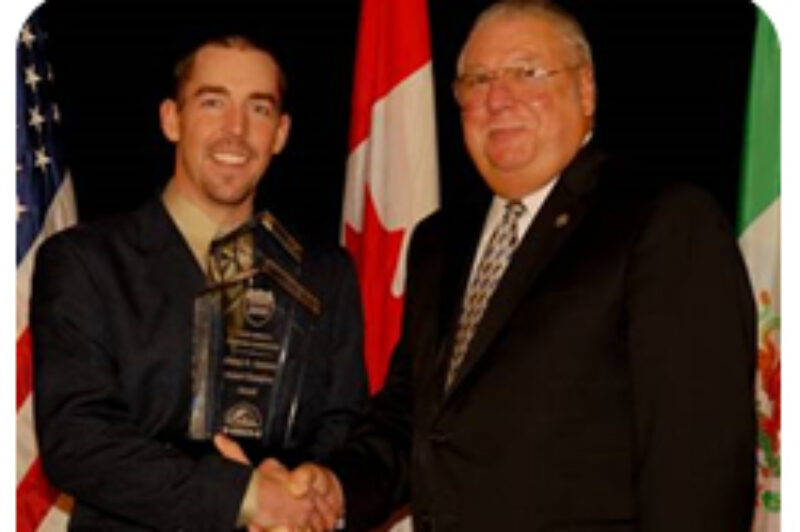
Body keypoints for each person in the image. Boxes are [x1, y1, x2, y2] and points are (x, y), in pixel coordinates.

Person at [286, 1, 758, 530]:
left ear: (586, 91)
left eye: (527, 73)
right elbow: (413, 417)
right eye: (478, 79)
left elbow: (699, 464)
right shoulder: (439, 242)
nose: (498, 97)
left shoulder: (662, 221)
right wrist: (336, 487)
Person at [32, 34, 367, 531]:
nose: (236, 130)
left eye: (259, 109)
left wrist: (310, 488)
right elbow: (78, 441)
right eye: (212, 103)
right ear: (172, 119)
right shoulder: (85, 262)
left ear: (281, 132)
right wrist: (245, 498)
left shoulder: (325, 273)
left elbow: (344, 428)